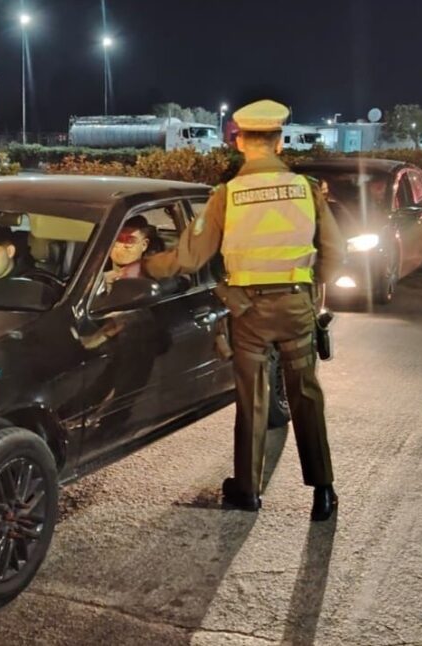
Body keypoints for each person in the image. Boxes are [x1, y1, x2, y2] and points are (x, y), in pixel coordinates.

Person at [144, 99, 344, 522]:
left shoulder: (227, 195)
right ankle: (323, 492)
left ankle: (248, 492)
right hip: (296, 304)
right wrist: (312, 290)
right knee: (306, 394)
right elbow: (335, 254)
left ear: (239, 143)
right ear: (279, 142)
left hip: (248, 310)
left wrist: (143, 266)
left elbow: (189, 258)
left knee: (252, 398)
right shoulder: (306, 189)